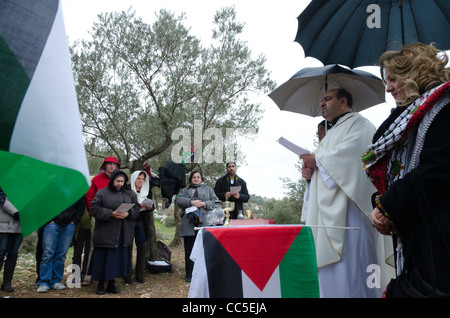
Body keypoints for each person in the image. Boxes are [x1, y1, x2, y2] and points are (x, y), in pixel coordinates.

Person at [363, 43, 450, 297]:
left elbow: (437, 169)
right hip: (421, 236)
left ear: (414, 75)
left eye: (393, 79)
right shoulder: (415, 115)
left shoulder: (444, 108)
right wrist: (383, 205)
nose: (388, 88)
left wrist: (389, 206)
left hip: (440, 237)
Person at [300, 88, 387, 298]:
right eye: (322, 99)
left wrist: (318, 159)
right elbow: (327, 167)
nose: (322, 103)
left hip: (351, 212)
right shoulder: (333, 132)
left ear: (343, 101)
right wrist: (310, 174)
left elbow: (354, 157)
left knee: (355, 270)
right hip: (329, 214)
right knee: (333, 278)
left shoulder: (360, 124)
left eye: (327, 99)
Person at [88, 170, 140, 295]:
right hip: (106, 233)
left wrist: (128, 213)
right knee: (103, 259)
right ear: (112, 181)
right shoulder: (102, 193)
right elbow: (94, 208)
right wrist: (111, 214)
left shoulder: (130, 193)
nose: (120, 184)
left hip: (123, 232)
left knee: (116, 260)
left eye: (122, 181)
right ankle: (100, 284)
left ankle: (111, 283)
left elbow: (137, 208)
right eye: (117, 181)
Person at [36, 196, 85, 293]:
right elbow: (43, 201)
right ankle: (44, 282)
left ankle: (56, 281)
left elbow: (81, 205)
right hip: (52, 224)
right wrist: (48, 219)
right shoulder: (53, 184)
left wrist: (74, 221)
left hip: (69, 225)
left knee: (61, 254)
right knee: (48, 253)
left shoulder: (77, 187)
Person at [176, 171, 218, 282]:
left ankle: (203, 274)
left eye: (198, 177)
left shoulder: (209, 189)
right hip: (188, 224)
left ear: (201, 178)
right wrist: (191, 202)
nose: (196, 179)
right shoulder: (185, 190)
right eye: (194, 177)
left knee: (203, 250)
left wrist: (204, 204)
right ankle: (189, 275)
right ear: (190, 179)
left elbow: (215, 201)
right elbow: (179, 200)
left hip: (204, 224)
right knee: (189, 250)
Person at [129, 170, 154, 283]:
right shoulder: (127, 190)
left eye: (143, 179)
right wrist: (137, 206)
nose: (140, 181)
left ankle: (139, 274)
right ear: (134, 179)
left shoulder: (146, 191)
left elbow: (152, 206)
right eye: (138, 178)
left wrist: (149, 207)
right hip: (129, 221)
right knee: (128, 247)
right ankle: (127, 275)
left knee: (142, 246)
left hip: (142, 221)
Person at [0, 187, 22, 292]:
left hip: (20, 224)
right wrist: (14, 212)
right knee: (1, 252)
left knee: (13, 253)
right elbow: (1, 197)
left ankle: (7, 282)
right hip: (3, 222)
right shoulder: (5, 177)